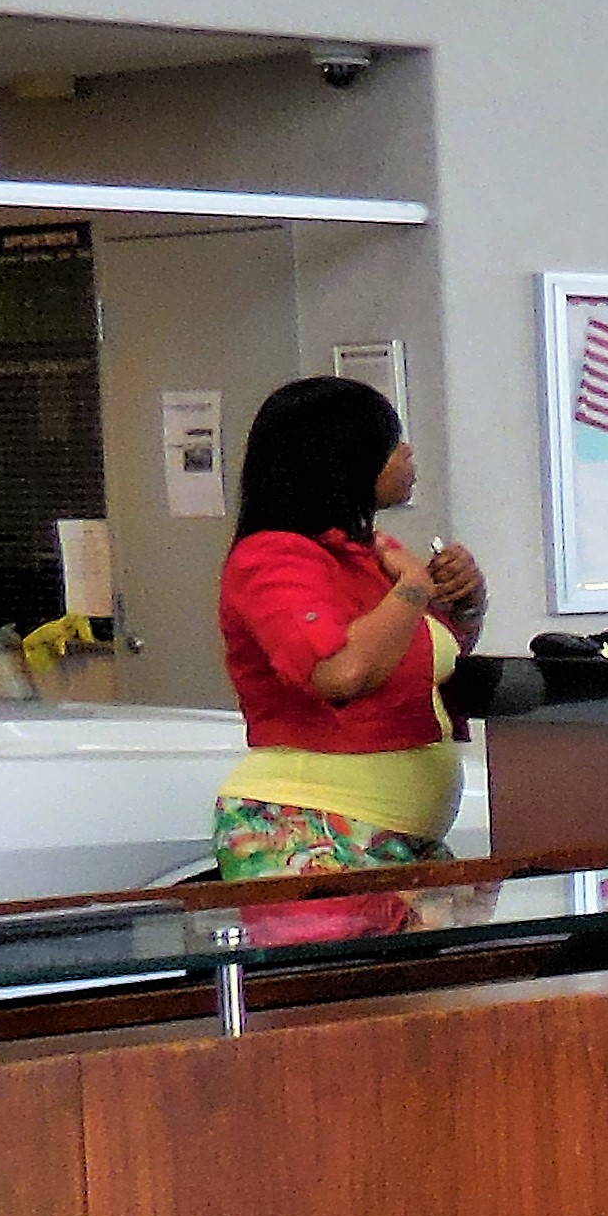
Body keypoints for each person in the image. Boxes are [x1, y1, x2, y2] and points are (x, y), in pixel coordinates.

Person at [213, 375, 485, 876]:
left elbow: (420, 657)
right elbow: (340, 673)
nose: (407, 453)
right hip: (312, 832)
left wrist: (465, 602)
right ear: (343, 458)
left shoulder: (372, 549)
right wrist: (413, 590)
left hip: (404, 838)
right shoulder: (273, 558)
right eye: (388, 442)